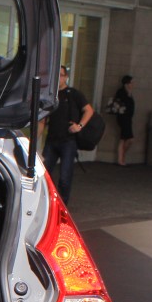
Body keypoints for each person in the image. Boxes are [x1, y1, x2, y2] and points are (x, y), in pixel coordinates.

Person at [39, 65, 93, 203]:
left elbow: (89, 110)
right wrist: (34, 142)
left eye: (61, 75)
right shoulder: (50, 96)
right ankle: (47, 202)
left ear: (66, 77)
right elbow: (42, 121)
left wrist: (79, 126)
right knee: (45, 175)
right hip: (52, 140)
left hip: (68, 141)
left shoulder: (73, 94)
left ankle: (62, 205)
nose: (59, 79)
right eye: (57, 76)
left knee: (65, 177)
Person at [111, 74, 135, 166]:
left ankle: (120, 159)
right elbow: (122, 103)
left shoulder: (129, 92)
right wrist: (128, 95)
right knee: (130, 139)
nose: (133, 84)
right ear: (127, 83)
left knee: (123, 138)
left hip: (128, 118)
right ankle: (122, 155)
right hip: (123, 118)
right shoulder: (121, 92)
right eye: (131, 82)